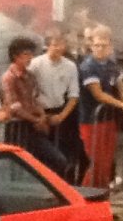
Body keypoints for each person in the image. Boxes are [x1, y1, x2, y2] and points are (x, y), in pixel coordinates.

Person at [78, 24, 123, 188]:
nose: (99, 49)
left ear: (110, 46)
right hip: (91, 120)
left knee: (106, 164)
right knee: (97, 163)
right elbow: (98, 94)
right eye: (96, 45)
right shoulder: (88, 66)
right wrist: (122, 105)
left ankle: (102, 199)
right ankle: (86, 199)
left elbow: (121, 87)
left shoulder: (112, 65)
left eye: (103, 45)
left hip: (108, 120)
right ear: (91, 45)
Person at [29, 26, 89, 184]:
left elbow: (74, 94)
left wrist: (62, 116)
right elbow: (30, 91)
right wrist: (41, 114)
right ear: (47, 45)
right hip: (40, 113)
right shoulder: (35, 64)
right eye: (55, 44)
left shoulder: (70, 66)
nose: (58, 48)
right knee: (42, 156)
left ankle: (61, 186)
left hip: (61, 113)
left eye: (61, 44)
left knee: (63, 155)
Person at [1, 36, 67, 176]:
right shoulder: (9, 77)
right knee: (19, 168)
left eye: (31, 54)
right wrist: (36, 119)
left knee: (55, 160)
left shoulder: (30, 76)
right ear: (15, 56)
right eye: (26, 54)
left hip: (33, 126)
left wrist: (42, 116)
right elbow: (14, 106)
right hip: (18, 128)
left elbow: (34, 99)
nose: (30, 58)